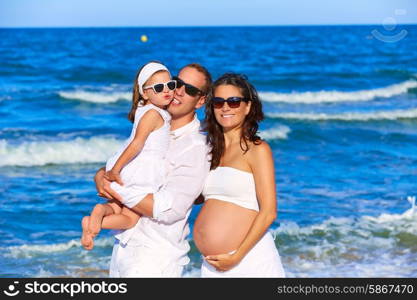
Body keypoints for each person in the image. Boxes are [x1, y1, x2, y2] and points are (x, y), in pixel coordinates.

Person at [94, 63, 212, 277]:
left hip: (154, 258)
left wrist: (113, 188)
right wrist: (101, 174)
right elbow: (125, 163)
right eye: (178, 82)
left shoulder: (196, 146)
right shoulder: (154, 124)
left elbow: (169, 210)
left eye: (191, 90)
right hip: (123, 250)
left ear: (201, 101)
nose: (179, 91)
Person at [193, 73, 286, 277]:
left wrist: (237, 256)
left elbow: (269, 211)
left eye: (234, 101)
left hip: (248, 260)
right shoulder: (208, 149)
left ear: (248, 107)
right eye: (218, 102)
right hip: (212, 266)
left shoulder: (257, 149)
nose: (225, 107)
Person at [81, 61, 175, 250]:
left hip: (132, 165)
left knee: (117, 206)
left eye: (170, 85)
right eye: (158, 87)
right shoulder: (154, 114)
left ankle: (99, 213)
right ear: (144, 93)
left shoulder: (147, 110)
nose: (167, 90)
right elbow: (137, 144)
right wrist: (115, 170)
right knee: (131, 218)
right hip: (140, 168)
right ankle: (98, 222)